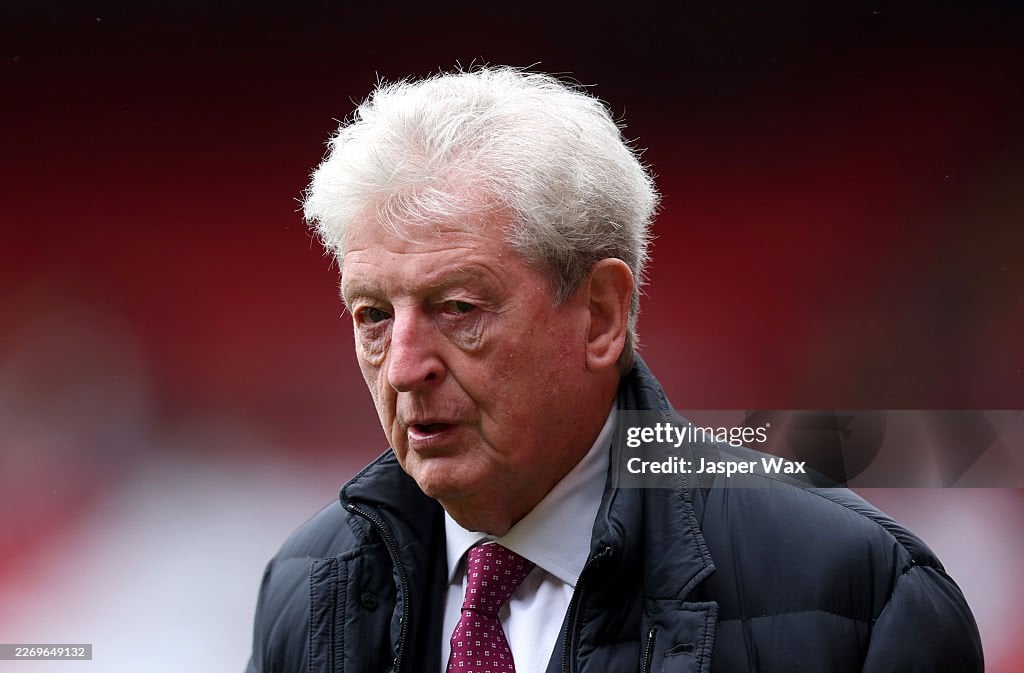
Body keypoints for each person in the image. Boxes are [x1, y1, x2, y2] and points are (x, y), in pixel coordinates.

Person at [246, 67, 983, 673]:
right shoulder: (305, 587)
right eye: (373, 315)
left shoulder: (865, 594)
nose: (403, 366)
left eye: (459, 306)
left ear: (600, 313)